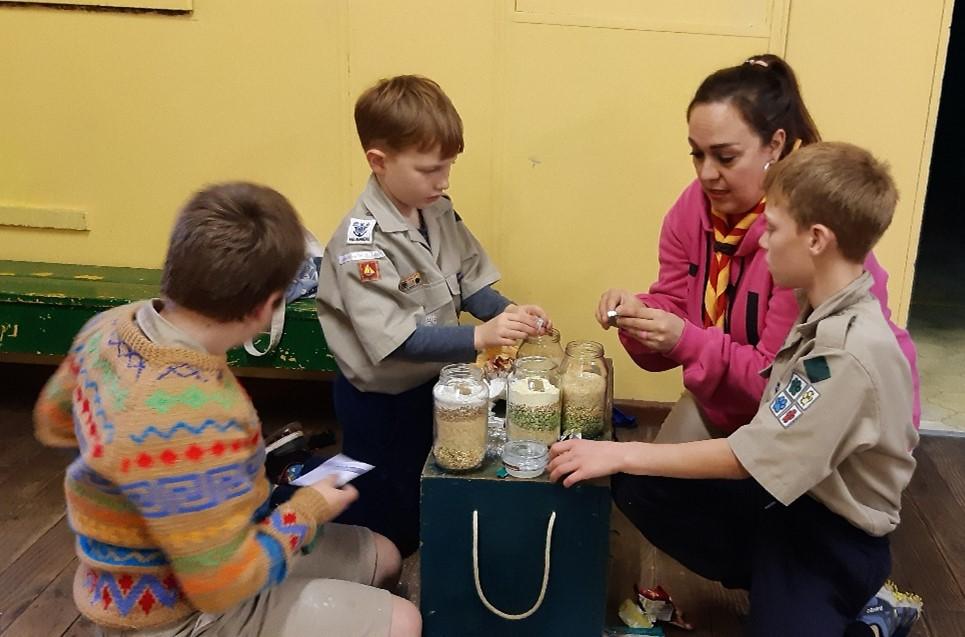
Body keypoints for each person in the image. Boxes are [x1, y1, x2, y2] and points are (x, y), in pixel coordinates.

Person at [552, 142, 920, 636]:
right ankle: (771, 581)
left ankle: (866, 610)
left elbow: (752, 456)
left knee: (630, 465)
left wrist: (620, 452)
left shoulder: (847, 352)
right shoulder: (815, 302)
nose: (762, 242)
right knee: (641, 485)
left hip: (834, 539)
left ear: (816, 239)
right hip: (783, 502)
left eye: (773, 228)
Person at [34, 182, 421, 637]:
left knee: (384, 555)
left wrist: (131, 489)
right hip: (177, 610)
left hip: (202, 554)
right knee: (404, 621)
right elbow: (220, 585)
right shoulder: (205, 417)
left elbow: (53, 421)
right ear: (267, 307)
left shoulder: (109, 326)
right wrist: (308, 508)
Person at [596, 54, 920, 444]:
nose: (706, 173)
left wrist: (684, 341)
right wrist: (641, 316)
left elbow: (777, 398)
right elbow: (679, 307)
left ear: (775, 145)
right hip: (744, 401)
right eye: (696, 154)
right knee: (648, 475)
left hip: (804, 417)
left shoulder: (802, 246)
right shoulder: (692, 210)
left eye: (726, 157)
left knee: (659, 470)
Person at [316, 75, 549, 557]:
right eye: (429, 170)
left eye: (448, 167)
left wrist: (510, 312)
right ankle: (335, 523)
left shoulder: (436, 210)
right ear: (379, 162)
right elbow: (399, 341)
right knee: (385, 506)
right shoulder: (361, 243)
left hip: (434, 383)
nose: (443, 181)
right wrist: (482, 337)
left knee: (434, 479)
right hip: (379, 399)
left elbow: (470, 282)